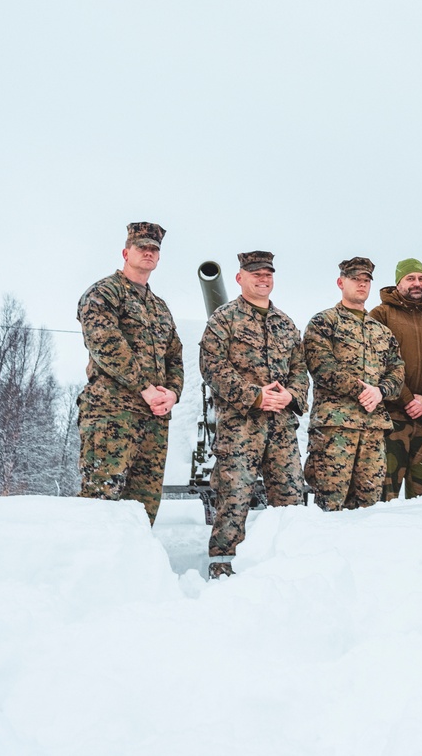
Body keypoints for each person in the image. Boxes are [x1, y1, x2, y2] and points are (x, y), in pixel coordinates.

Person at [200, 251, 308, 578]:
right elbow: (212, 367)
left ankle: (287, 565)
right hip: (240, 426)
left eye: (267, 274)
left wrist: (292, 394)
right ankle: (223, 568)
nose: (263, 279)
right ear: (240, 278)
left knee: (290, 499)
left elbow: (300, 370)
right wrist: (255, 395)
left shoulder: (286, 324)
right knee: (234, 500)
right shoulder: (224, 319)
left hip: (281, 428)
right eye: (255, 274)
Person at [76, 222, 183, 526]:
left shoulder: (159, 307)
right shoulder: (104, 293)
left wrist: (172, 394)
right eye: (142, 247)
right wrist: (145, 388)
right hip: (112, 414)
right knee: (100, 502)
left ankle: (135, 570)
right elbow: (105, 344)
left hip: (154, 419)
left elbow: (174, 354)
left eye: (154, 249)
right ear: (126, 252)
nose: (149, 252)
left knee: (142, 509)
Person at [304, 258, 405, 510]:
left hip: (372, 429)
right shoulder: (324, 322)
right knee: (330, 506)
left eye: (366, 280)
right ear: (341, 282)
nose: (361, 284)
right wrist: (363, 390)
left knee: (368, 509)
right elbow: (322, 367)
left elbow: (398, 371)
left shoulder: (382, 332)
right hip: (335, 428)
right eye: (355, 279)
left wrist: (380, 391)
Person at [368, 259, 422, 500]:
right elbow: (376, 363)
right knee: (384, 495)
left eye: (421, 278)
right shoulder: (380, 315)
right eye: (410, 278)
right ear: (398, 282)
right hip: (392, 418)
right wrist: (408, 398)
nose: (416, 283)